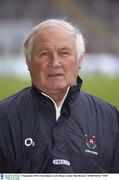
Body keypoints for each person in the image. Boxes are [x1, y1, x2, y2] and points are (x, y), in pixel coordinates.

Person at [0, 19, 119, 173]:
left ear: (79, 60)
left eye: (64, 53)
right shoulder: (3, 117)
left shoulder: (110, 118)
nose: (55, 63)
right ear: (28, 62)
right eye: (44, 54)